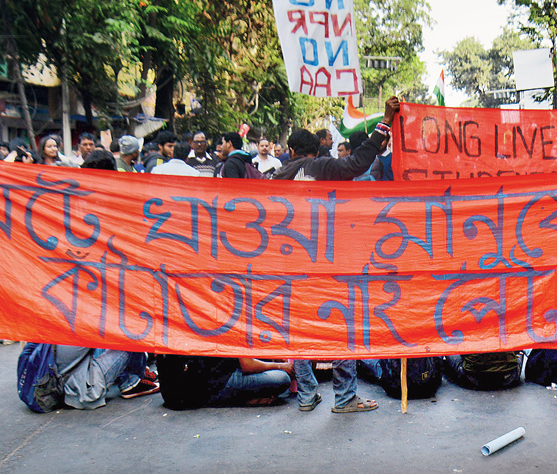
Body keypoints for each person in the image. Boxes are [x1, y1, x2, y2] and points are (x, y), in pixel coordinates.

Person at [274, 96, 400, 413]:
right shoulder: (318, 167)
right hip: (329, 260)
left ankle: (305, 395)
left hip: (291, 263)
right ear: (315, 150)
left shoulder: (275, 179)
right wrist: (385, 120)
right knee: (342, 324)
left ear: (290, 150)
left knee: (299, 325)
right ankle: (344, 397)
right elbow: (357, 163)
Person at [158, 356, 294, 409]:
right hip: (210, 387)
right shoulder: (232, 314)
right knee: (282, 378)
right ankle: (240, 399)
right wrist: (279, 366)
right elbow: (248, 366)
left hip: (173, 395)